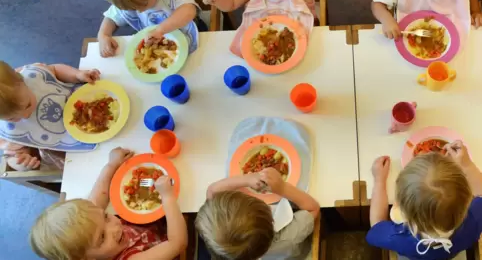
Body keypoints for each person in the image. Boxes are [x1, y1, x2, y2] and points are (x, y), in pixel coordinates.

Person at [30, 147, 188, 260]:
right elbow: (177, 244)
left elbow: (100, 196)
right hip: (171, 240)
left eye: (105, 217)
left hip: (150, 226)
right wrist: (167, 197)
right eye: (102, 237)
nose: (114, 226)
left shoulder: (92, 224)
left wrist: (111, 164)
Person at [367, 141, 482, 259]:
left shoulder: (397, 237)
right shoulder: (474, 221)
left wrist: (379, 180)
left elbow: (376, 226)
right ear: (467, 199)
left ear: (404, 212)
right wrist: (467, 165)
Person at [195, 168, 320, 260]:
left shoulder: (220, 245)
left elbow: (212, 191)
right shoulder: (287, 238)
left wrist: (247, 179)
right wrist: (282, 188)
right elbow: (313, 209)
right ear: (270, 218)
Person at [0, 61, 100, 171]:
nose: (26, 116)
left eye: (27, 105)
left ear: (23, 80)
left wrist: (77, 75)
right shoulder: (8, 131)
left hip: (89, 106)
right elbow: (11, 156)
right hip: (71, 154)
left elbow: (54, 70)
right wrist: (21, 163)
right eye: (12, 118)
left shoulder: (34, 76)